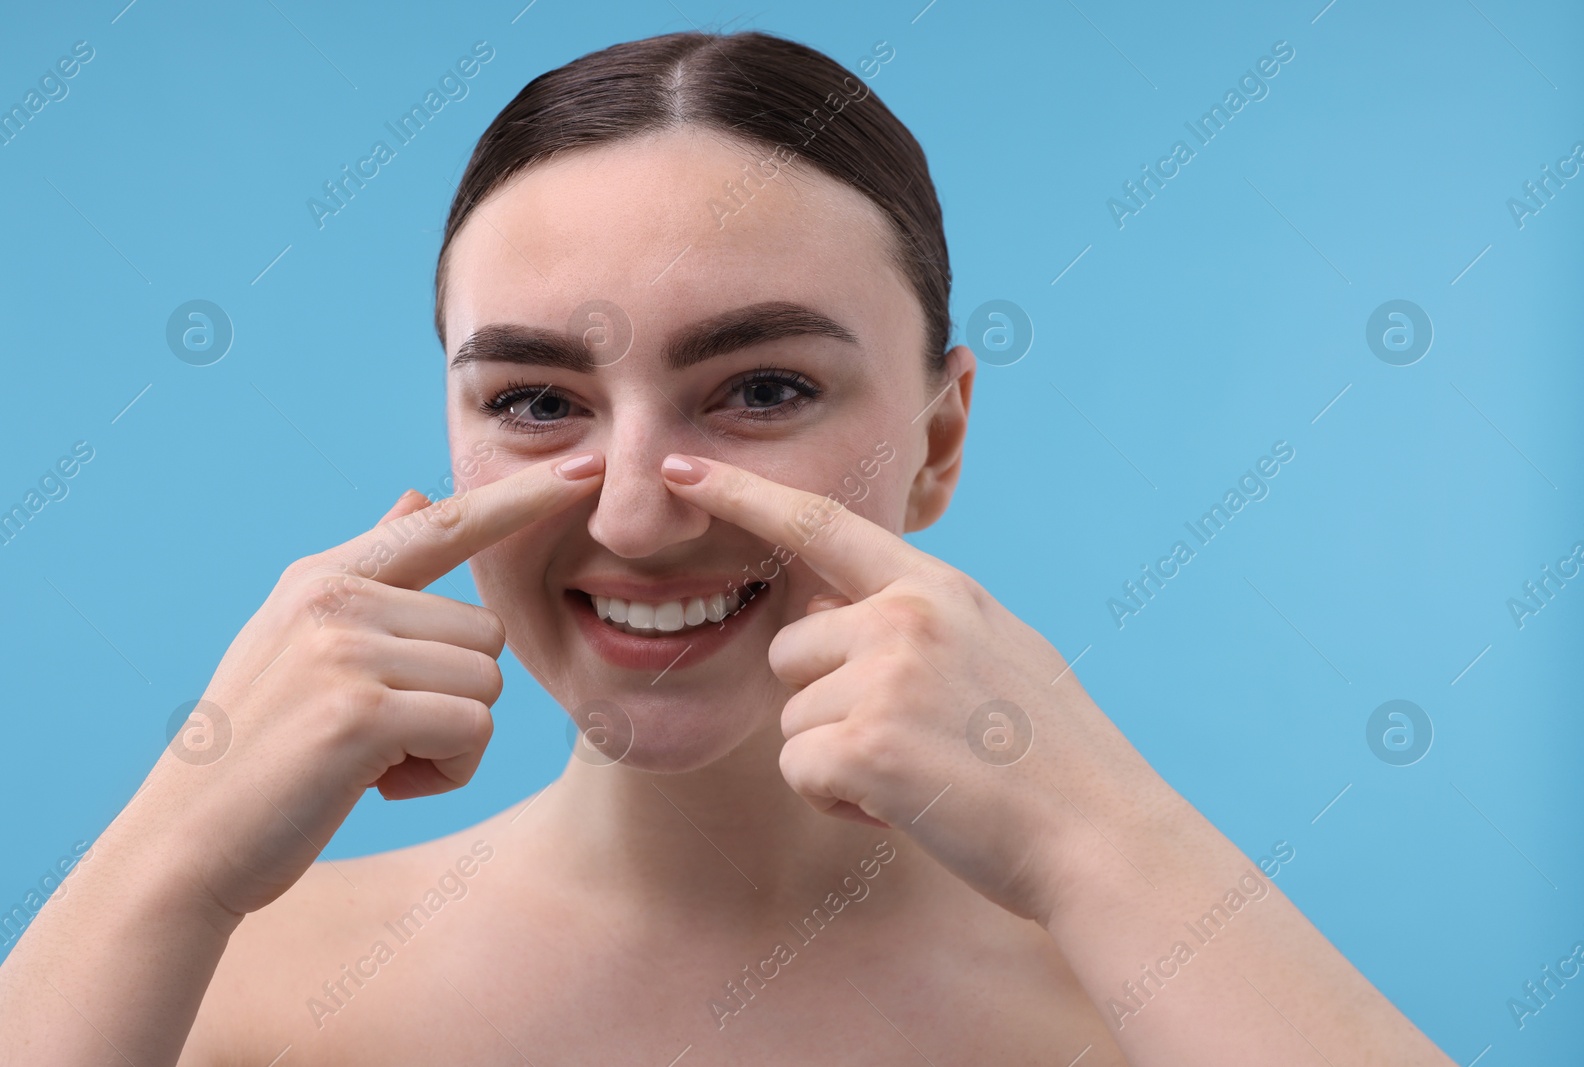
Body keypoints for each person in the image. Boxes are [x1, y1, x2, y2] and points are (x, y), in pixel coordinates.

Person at [0, 30, 1453, 1066]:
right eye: (535, 401)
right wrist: (169, 852)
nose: (634, 514)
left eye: (762, 391)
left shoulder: (1171, 1005)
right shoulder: (212, 992)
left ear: (940, 441)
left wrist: (1112, 843)